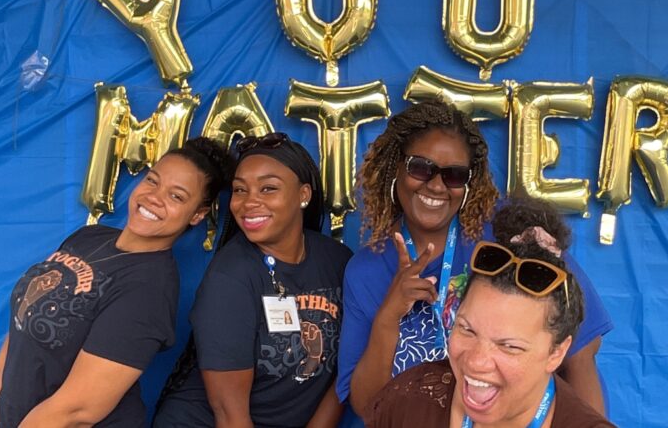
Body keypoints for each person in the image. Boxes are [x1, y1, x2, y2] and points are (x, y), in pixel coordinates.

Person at [337, 101, 612, 417]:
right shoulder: (366, 270)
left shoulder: (510, 235)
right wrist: (388, 317)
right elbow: (367, 406)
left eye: (454, 175)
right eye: (421, 167)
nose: (437, 185)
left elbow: (580, 352)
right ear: (394, 166)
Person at [0, 137, 233, 428]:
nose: (154, 197)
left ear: (198, 214)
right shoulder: (88, 237)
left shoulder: (148, 289)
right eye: (153, 181)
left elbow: (77, 411)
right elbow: (20, 329)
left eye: (176, 196)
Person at [153, 132, 352, 428]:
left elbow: (344, 372)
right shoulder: (229, 278)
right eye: (239, 190)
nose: (249, 202)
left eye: (268, 188)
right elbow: (230, 415)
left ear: (304, 194)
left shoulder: (337, 260)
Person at [362, 240, 615, 427]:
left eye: (509, 346)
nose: (475, 362)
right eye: (467, 329)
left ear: (556, 353)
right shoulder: (406, 403)